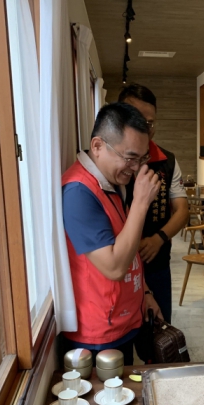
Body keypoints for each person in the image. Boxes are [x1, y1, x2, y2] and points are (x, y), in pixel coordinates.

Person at [61, 102, 162, 364]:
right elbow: (114, 267)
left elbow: (128, 246)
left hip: (123, 319)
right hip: (98, 334)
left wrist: (146, 294)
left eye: (142, 159)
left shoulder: (112, 181)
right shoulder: (78, 192)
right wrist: (141, 203)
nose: (136, 167)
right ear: (97, 146)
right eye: (130, 157)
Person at [118, 84, 189, 323]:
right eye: (137, 120)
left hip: (155, 262)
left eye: (149, 123)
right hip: (119, 265)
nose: (145, 129)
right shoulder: (110, 162)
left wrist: (159, 238)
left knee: (159, 329)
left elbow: (182, 211)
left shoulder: (167, 161)